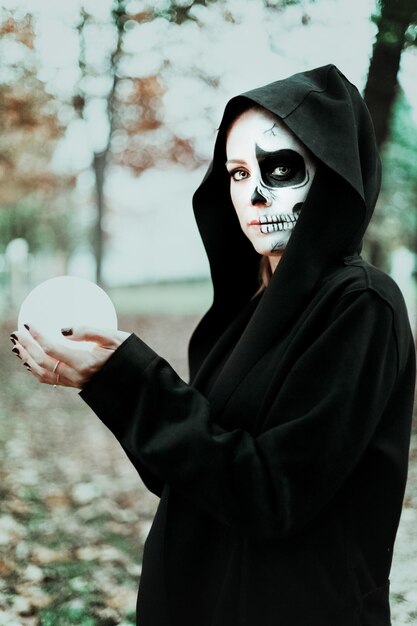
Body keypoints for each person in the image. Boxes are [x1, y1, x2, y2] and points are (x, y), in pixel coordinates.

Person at [10, 64, 416, 625]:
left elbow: (270, 494)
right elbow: (187, 471)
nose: (252, 194)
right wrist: (104, 379)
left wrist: (129, 381)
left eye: (278, 168)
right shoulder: (248, 310)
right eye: (237, 172)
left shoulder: (362, 305)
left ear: (333, 171)